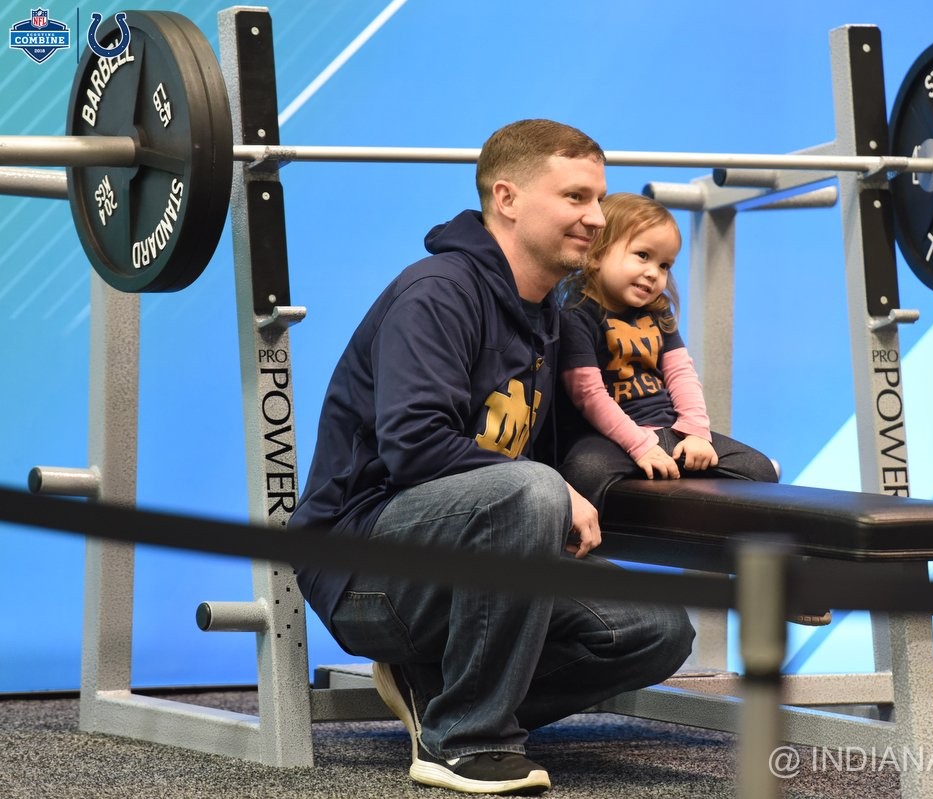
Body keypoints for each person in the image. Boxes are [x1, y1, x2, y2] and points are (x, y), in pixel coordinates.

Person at [289, 121, 695, 795]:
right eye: (575, 197)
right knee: (531, 490)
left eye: (598, 199)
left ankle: (441, 691)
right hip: (370, 572)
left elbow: (574, 441)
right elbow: (415, 444)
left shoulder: (554, 319)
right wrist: (552, 496)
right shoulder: (438, 291)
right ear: (506, 197)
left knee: (657, 627)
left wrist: (678, 445)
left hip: (483, 552)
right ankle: (465, 741)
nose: (596, 218)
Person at [556, 192, 779, 512]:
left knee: (760, 469)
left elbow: (682, 374)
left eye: (664, 265)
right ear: (596, 252)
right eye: (642, 255)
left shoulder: (658, 312)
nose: (653, 273)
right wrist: (639, 446)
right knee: (583, 472)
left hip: (668, 430)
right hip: (610, 440)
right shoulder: (577, 314)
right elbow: (588, 395)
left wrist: (696, 432)